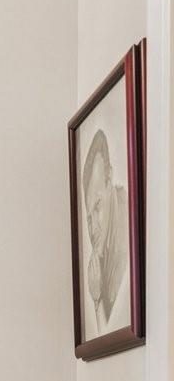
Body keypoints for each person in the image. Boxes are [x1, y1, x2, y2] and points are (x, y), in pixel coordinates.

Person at [81, 128, 125, 331]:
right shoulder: (102, 251)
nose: (93, 229)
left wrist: (97, 299)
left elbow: (108, 332)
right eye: (89, 218)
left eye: (97, 205)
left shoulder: (125, 244)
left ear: (110, 180)